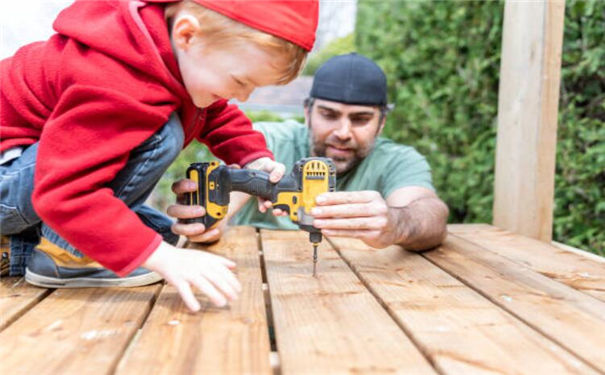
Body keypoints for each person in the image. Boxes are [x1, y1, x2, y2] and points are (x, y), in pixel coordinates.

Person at [0, 0, 319, 312]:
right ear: (187, 34)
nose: (243, 96)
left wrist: (254, 159)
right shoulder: (115, 78)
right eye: (240, 81)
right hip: (19, 179)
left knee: (160, 236)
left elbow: (214, 112)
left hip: (27, 180)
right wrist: (163, 258)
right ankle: (68, 254)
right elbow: (64, 191)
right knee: (163, 131)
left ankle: (20, 248)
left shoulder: (169, 57)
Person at [170, 53, 449, 252]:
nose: (343, 131)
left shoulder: (398, 161)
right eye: (329, 115)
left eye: (361, 119)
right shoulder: (264, 143)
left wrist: (396, 223)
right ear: (307, 112)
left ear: (382, 122)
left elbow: (431, 215)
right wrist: (206, 224)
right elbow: (224, 205)